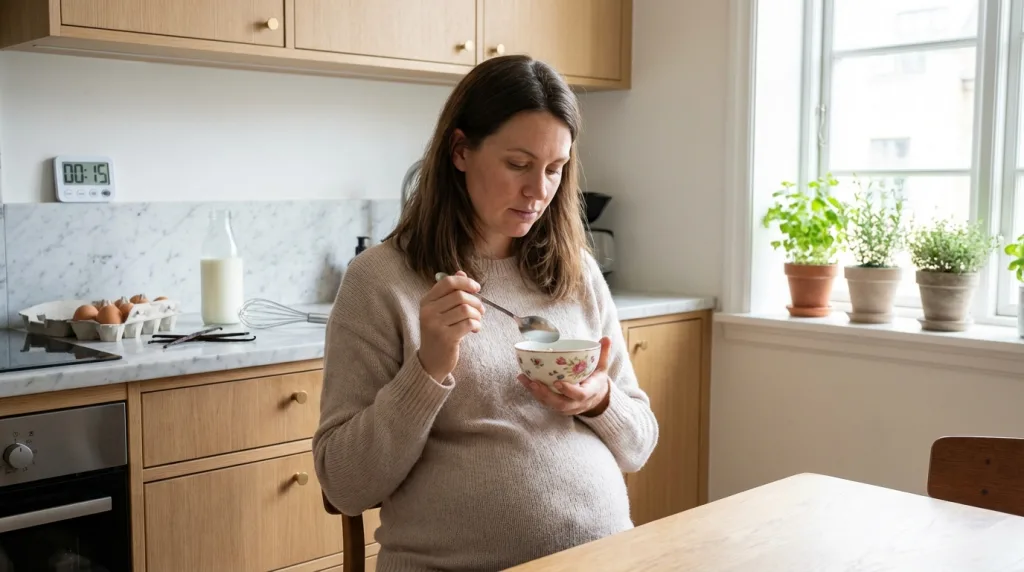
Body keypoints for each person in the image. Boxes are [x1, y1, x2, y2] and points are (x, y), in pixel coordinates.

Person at [312, 55, 659, 572]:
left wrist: (599, 399)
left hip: (604, 558)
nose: (539, 191)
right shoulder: (380, 281)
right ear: (460, 151)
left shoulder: (577, 273)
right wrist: (428, 369)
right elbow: (343, 484)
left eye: (554, 170)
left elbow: (638, 445)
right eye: (518, 165)